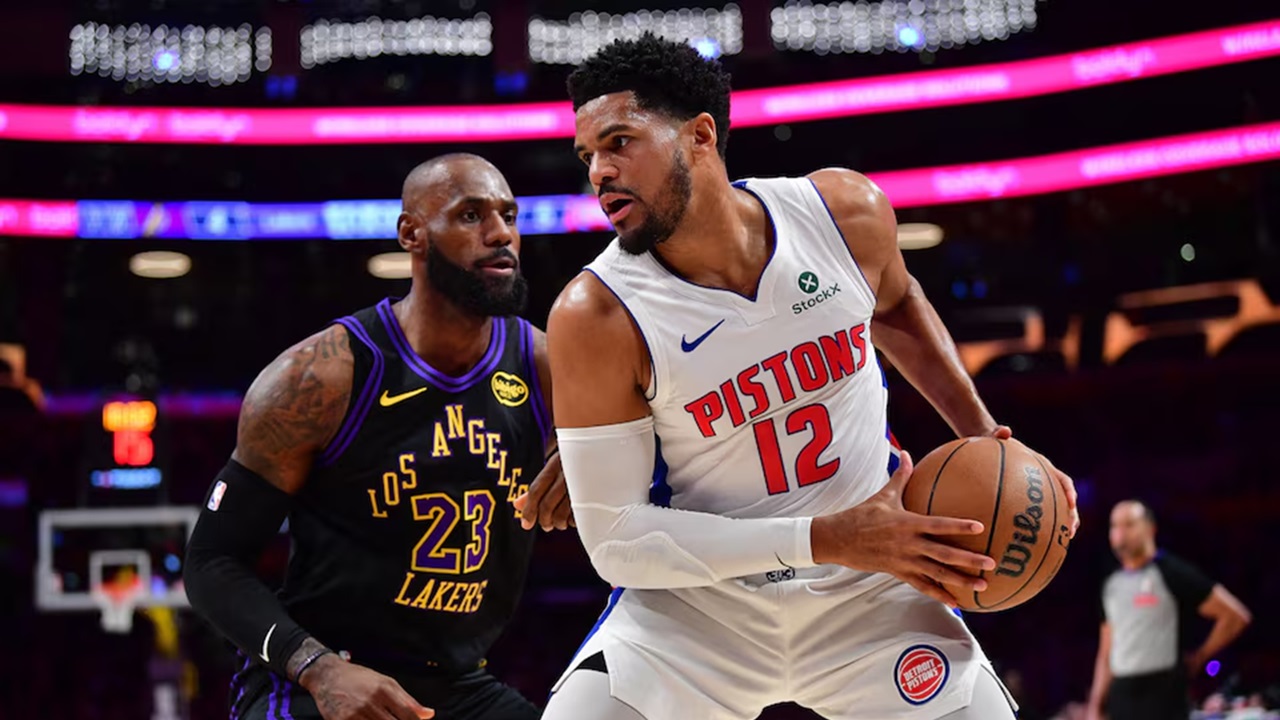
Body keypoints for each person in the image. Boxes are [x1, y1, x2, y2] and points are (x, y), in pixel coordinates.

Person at [541, 33, 1080, 720]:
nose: (599, 173)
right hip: (698, 612)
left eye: (619, 142)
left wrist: (990, 440)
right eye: (587, 155)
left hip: (873, 588)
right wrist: (827, 535)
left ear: (701, 136)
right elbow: (617, 542)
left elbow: (896, 304)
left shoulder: (841, 214)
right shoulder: (595, 313)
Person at [184, 153, 572, 720]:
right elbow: (211, 561)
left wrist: (593, 464)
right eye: (470, 216)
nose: (500, 234)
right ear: (411, 234)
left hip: (459, 684)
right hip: (318, 678)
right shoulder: (320, 377)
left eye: (508, 216)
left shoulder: (545, 366)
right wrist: (317, 668)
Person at [1086, 500, 1252, 720]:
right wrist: (1096, 704)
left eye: (1129, 524)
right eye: (1115, 525)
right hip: (1122, 695)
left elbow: (1235, 616)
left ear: (1150, 528)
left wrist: (1200, 657)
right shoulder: (1111, 585)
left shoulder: (1172, 572)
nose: (1121, 533)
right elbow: (1106, 650)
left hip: (1164, 694)